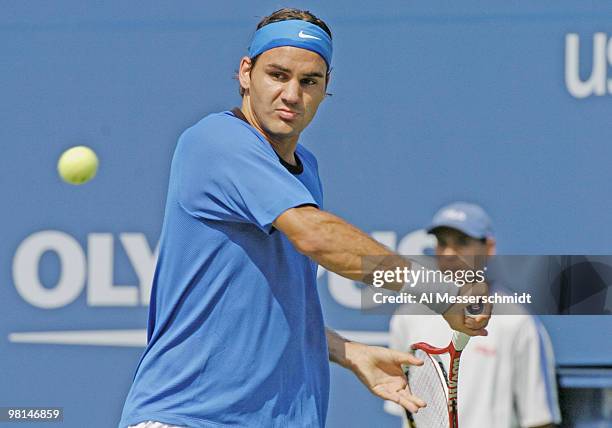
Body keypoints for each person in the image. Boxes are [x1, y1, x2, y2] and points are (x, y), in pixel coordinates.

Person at [119, 9, 489, 428]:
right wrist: (437, 290)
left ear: (325, 87)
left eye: (309, 81)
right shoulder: (215, 142)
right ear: (245, 73)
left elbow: (271, 306)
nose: (292, 94)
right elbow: (317, 238)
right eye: (278, 75)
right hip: (190, 418)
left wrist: (347, 351)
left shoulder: (305, 169)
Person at [385, 202, 561, 428]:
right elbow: (404, 409)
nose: (448, 253)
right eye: (442, 243)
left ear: (489, 248)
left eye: (461, 243)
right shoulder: (407, 316)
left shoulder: (517, 321)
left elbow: (539, 419)